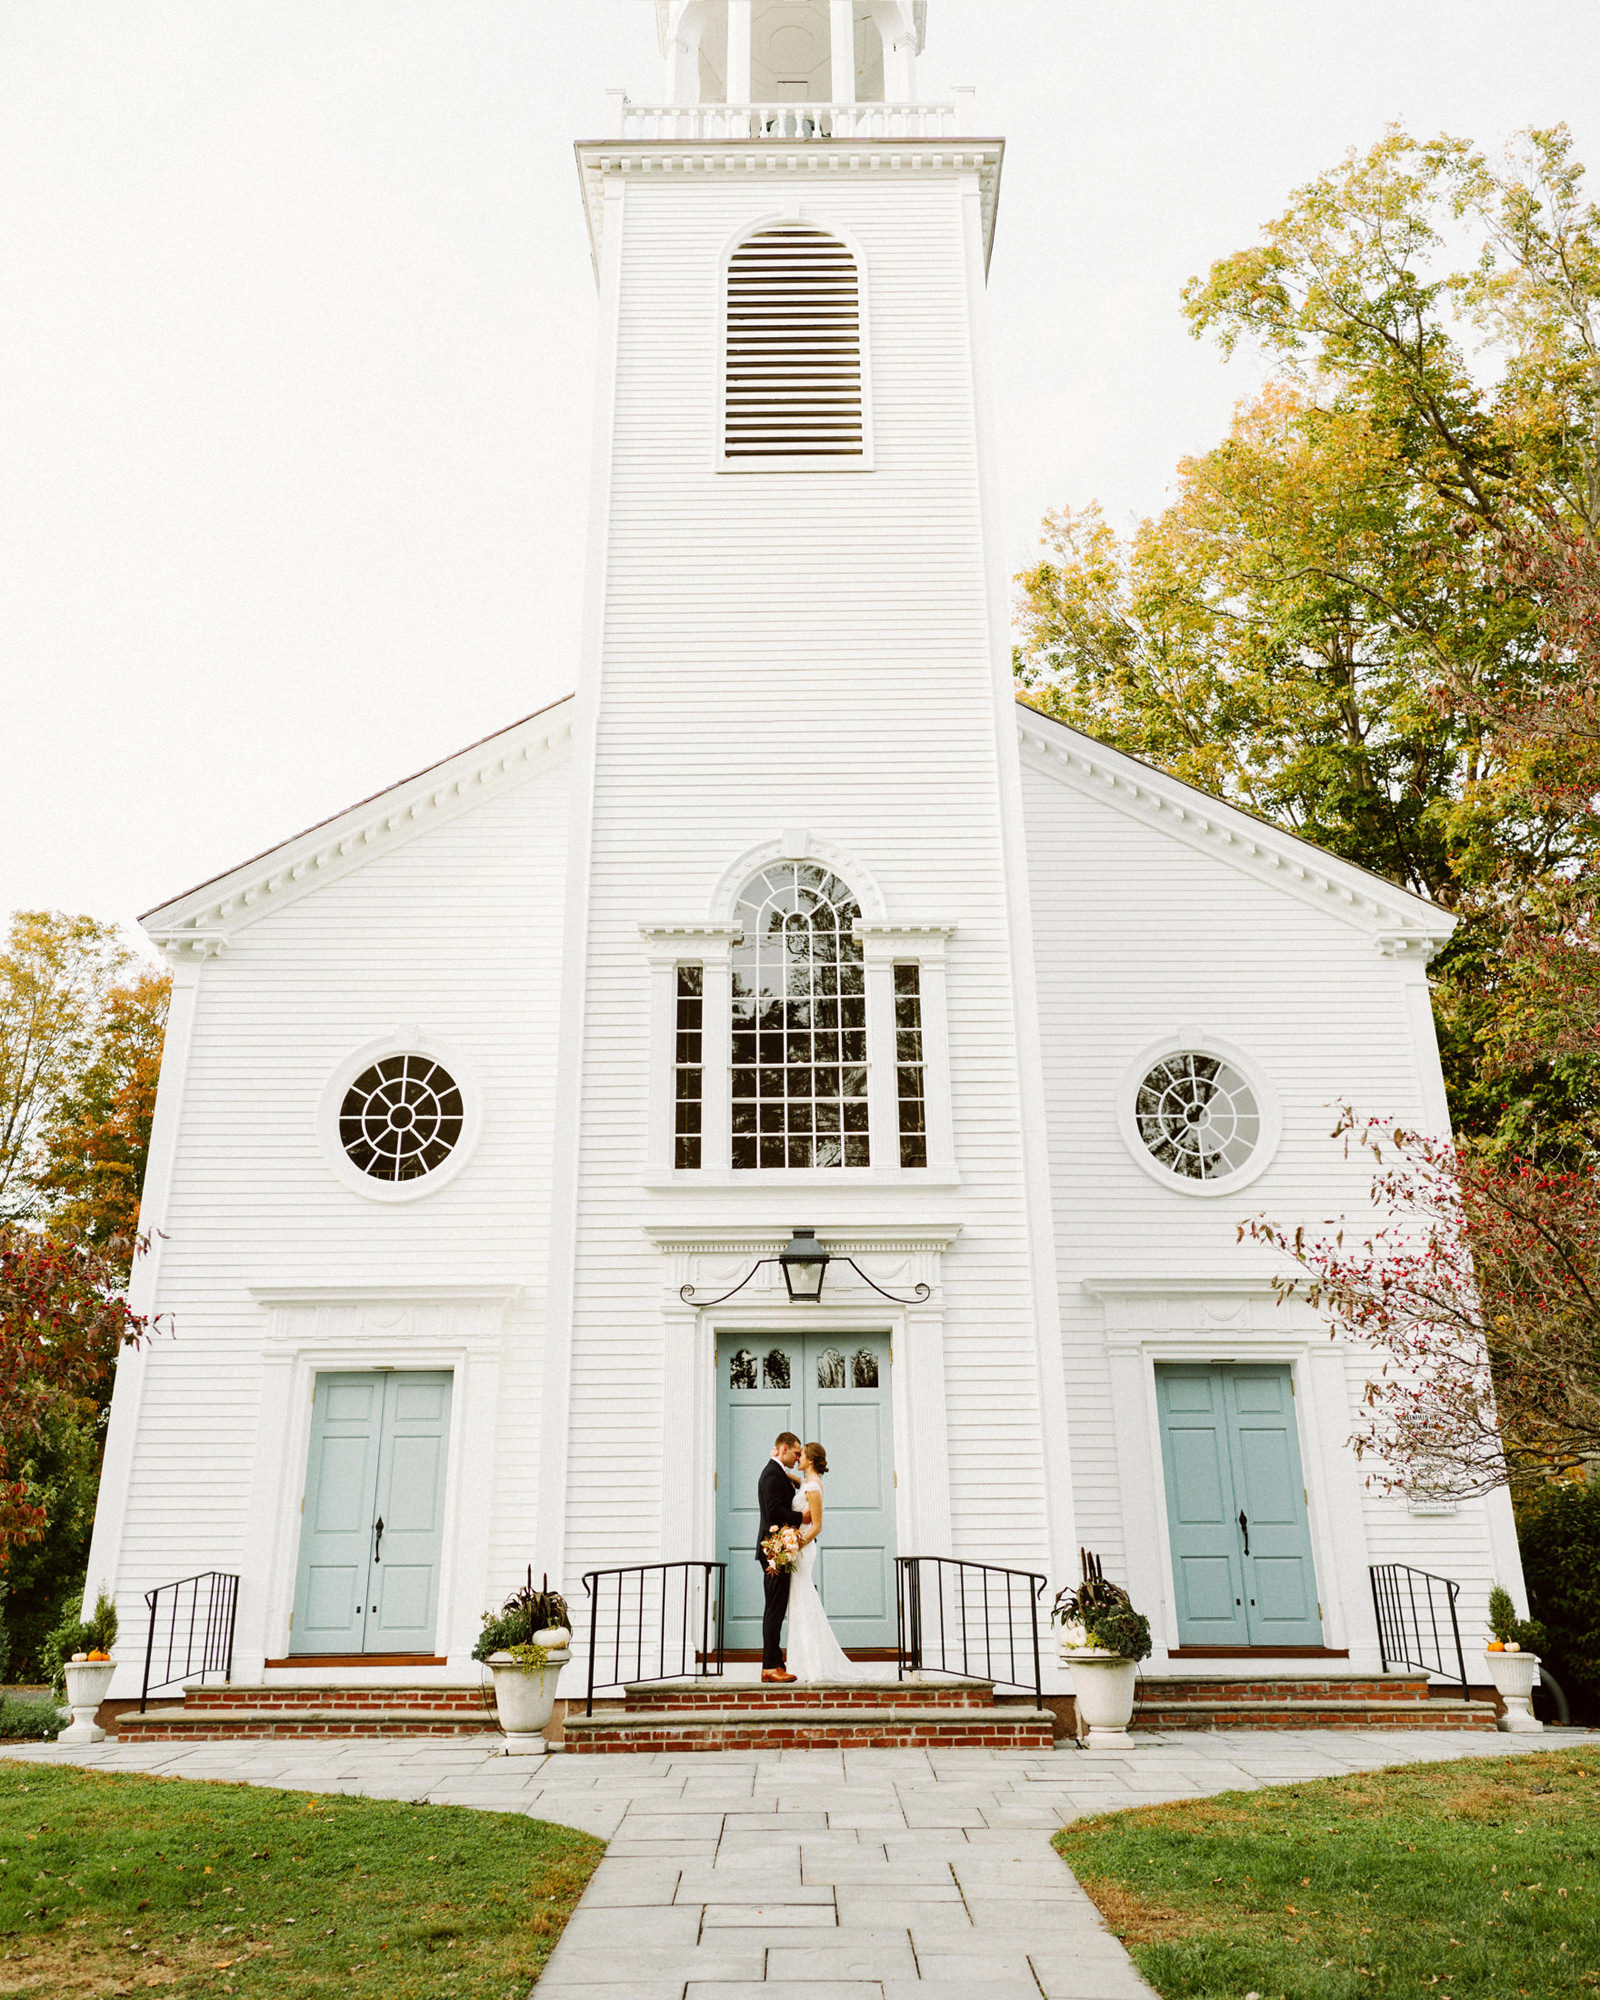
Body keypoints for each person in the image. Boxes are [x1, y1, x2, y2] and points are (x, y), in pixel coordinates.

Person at [784, 1442, 878, 1684]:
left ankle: (812, 1664)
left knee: (803, 1600)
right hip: (798, 1548)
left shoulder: (814, 1487)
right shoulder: (806, 1483)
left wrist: (794, 1545)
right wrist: (783, 1472)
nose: (798, 1458)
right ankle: (801, 1660)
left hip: (803, 1550)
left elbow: (816, 1526)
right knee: (798, 1601)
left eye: (801, 1455)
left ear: (811, 1460)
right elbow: (799, 1482)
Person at [757, 1432, 803, 1683]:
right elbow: (774, 1512)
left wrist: (793, 1479)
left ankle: (774, 1663)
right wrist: (801, 1519)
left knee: (776, 1608)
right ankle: (771, 1666)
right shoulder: (772, 1474)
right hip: (774, 1550)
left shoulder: (777, 1472)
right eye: (796, 1453)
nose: (798, 1458)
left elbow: (785, 1489)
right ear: (783, 1449)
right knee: (774, 1609)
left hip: (779, 1548)